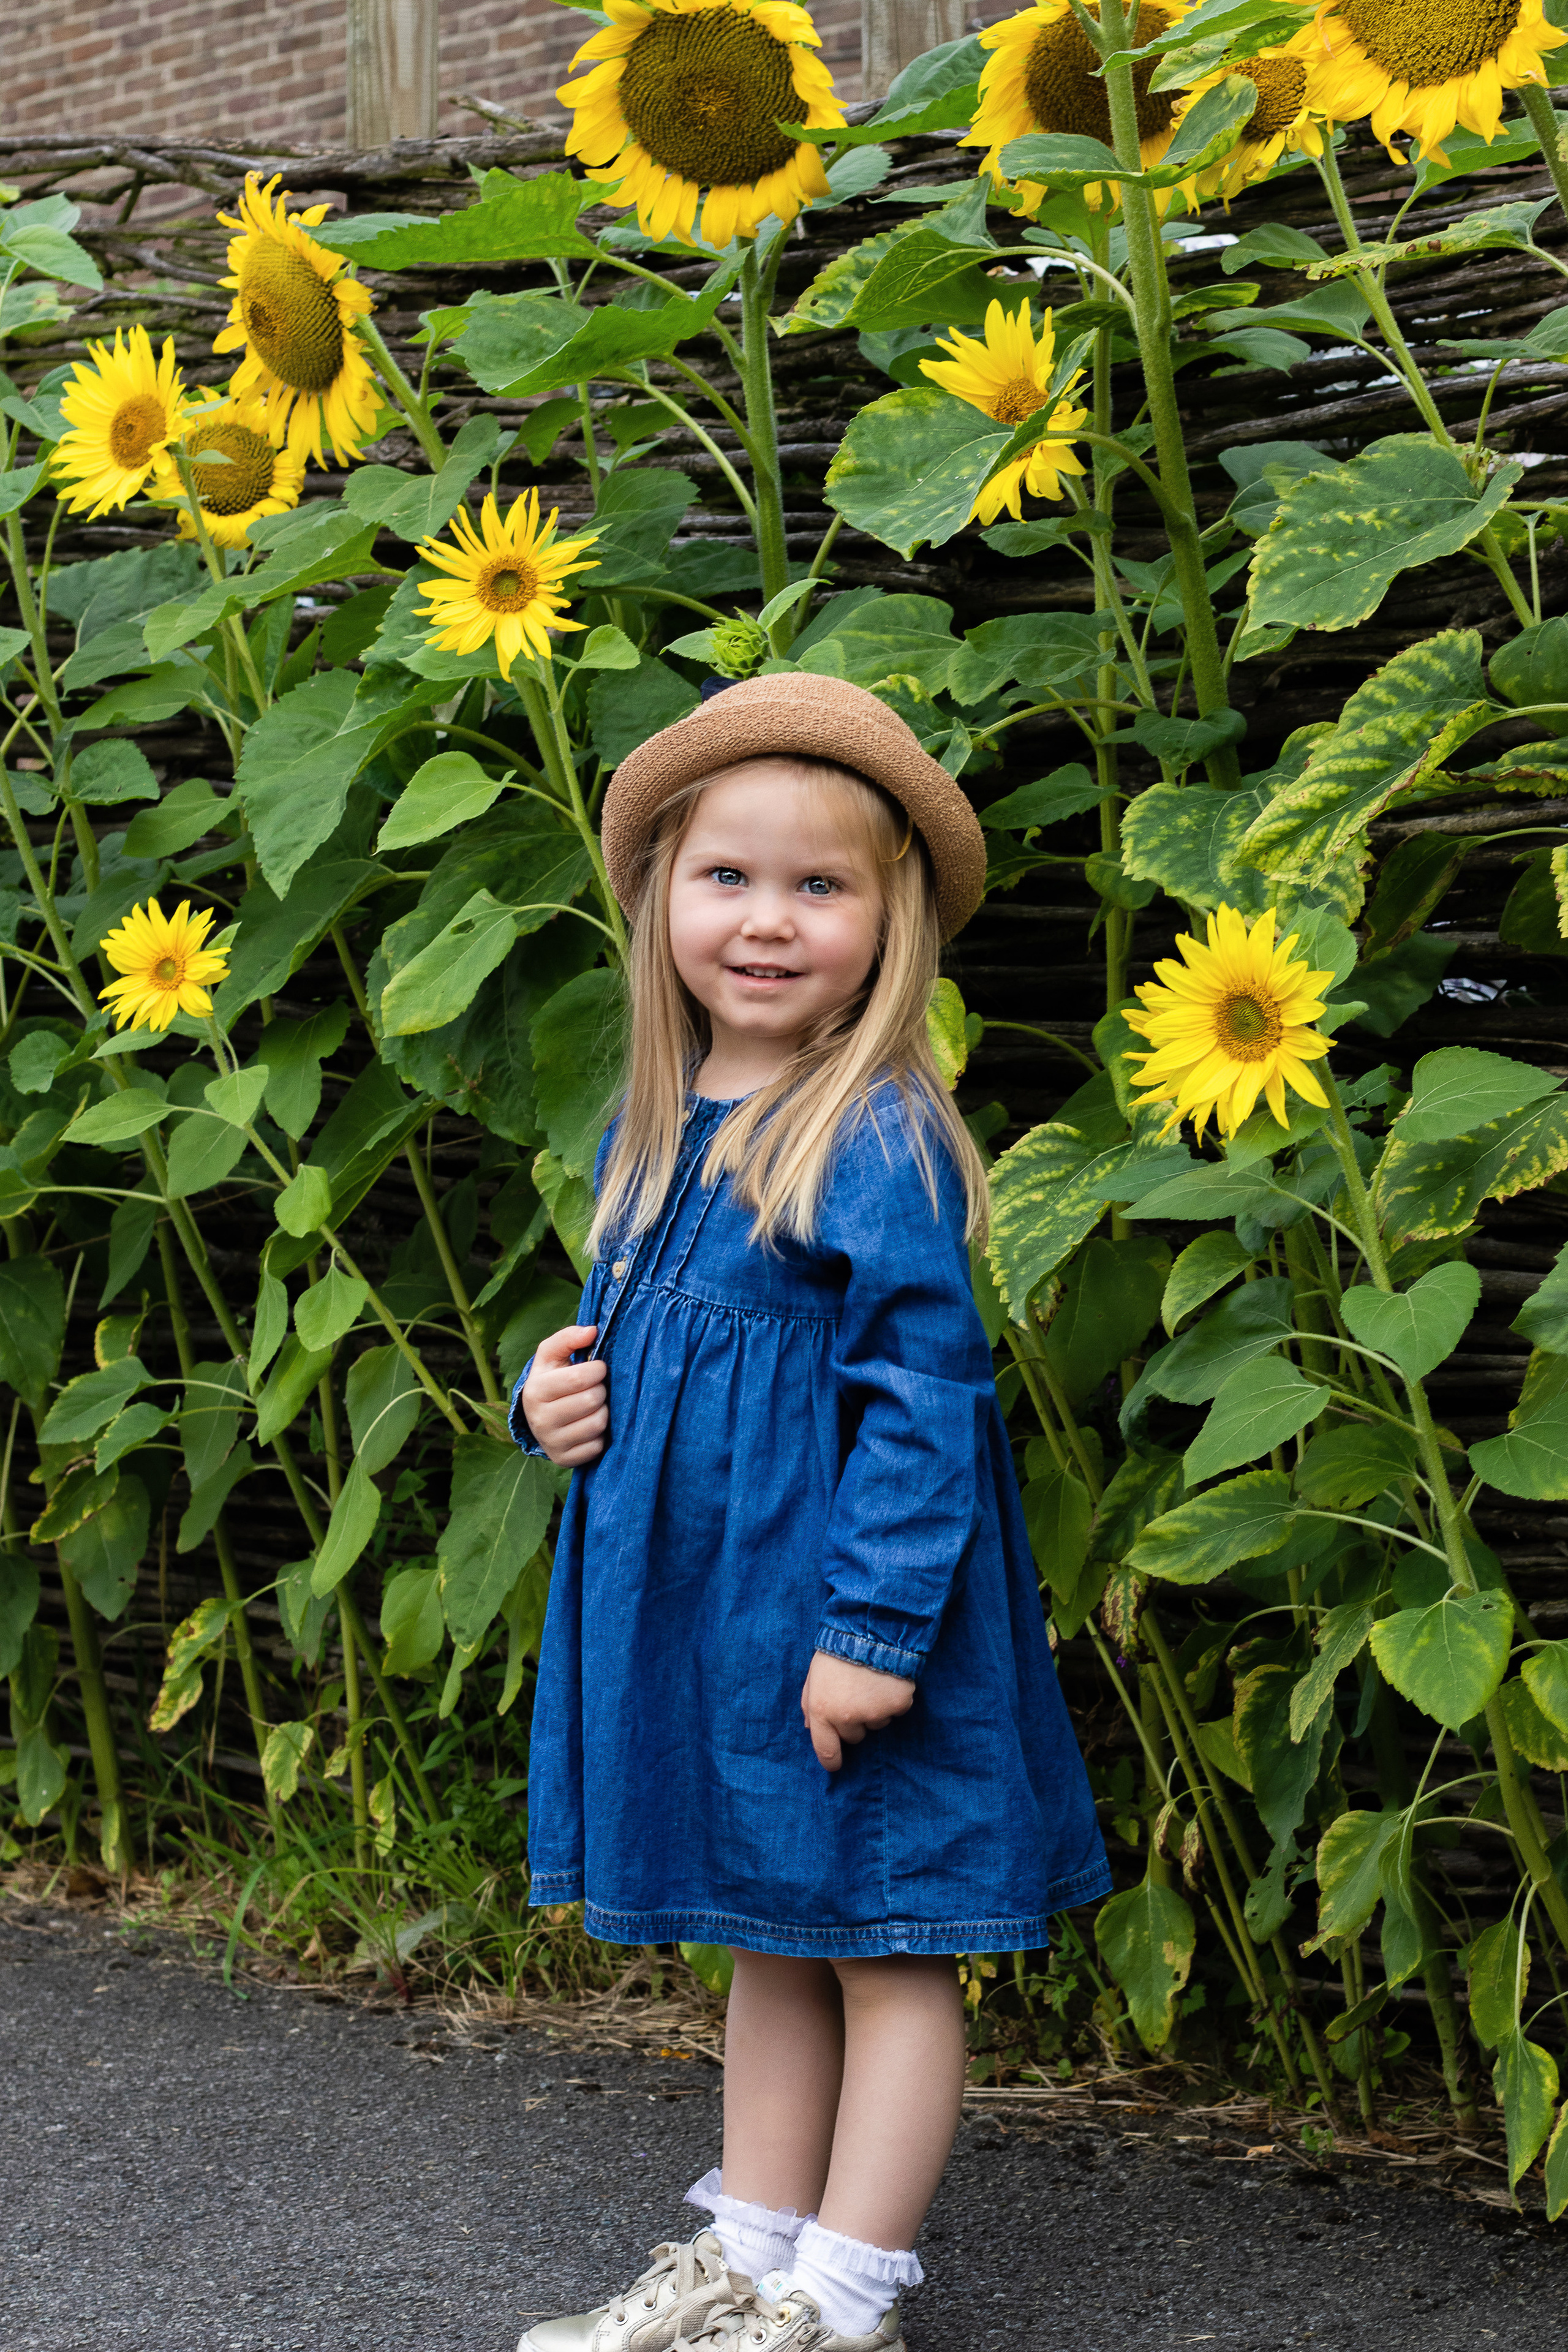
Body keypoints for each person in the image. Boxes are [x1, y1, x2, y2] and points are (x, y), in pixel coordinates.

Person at [510, 674, 1109, 2352]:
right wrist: (547, 1400)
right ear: (658, 901)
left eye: (820, 886)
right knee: (765, 1926)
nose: (769, 922)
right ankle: (748, 2251)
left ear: (889, 924)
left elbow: (925, 1407)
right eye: (729, 878)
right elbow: (615, 1349)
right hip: (715, 1616)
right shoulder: (658, 1127)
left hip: (836, 1617)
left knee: (889, 1943)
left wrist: (871, 1635)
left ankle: (842, 2300)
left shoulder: (869, 1137)